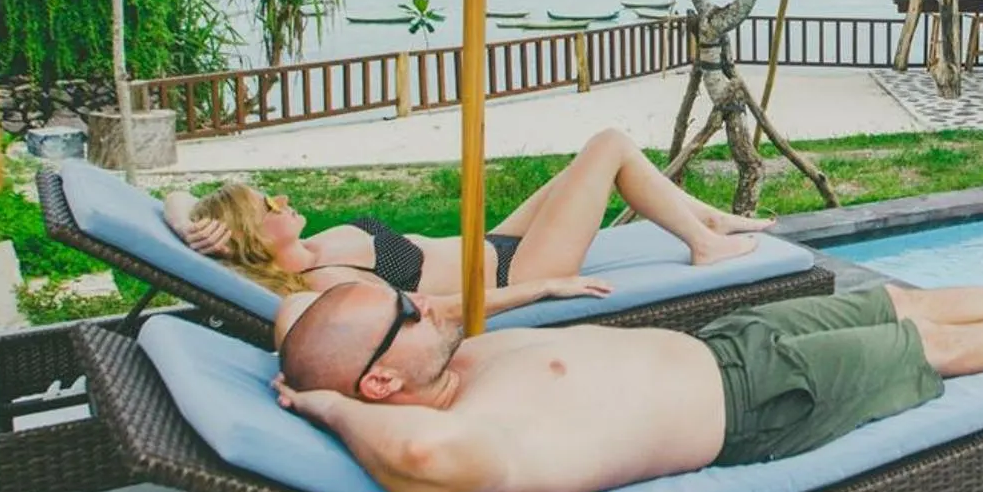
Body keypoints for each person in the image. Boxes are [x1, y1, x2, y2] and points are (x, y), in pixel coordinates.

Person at [272, 213, 983, 492]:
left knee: (896, 302)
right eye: (407, 310)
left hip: (729, 345)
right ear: (378, 382)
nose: (424, 302)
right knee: (931, 347)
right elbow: (415, 456)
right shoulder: (472, 434)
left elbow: (291, 314)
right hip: (761, 404)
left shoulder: (438, 364)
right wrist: (326, 407)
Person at [162, 127, 771, 339]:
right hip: (518, 271)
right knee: (608, 145)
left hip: (498, 244)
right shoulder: (327, 285)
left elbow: (171, 193)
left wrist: (188, 214)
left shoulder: (320, 246)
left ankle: (704, 219)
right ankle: (704, 242)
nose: (283, 197)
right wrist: (543, 289)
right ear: (258, 237)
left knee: (582, 171)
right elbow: (439, 309)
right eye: (269, 202)